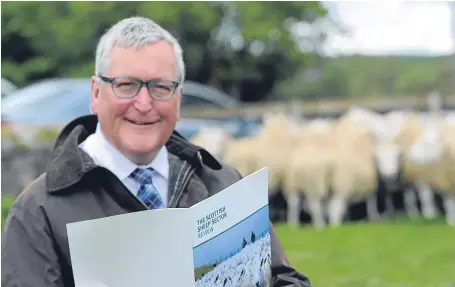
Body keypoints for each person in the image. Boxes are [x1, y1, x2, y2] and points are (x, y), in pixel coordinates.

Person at [1, 16, 311, 287]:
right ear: (96, 93)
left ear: (179, 97)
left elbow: (285, 278)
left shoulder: (224, 182)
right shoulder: (39, 211)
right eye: (126, 85)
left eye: (161, 87)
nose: (144, 104)